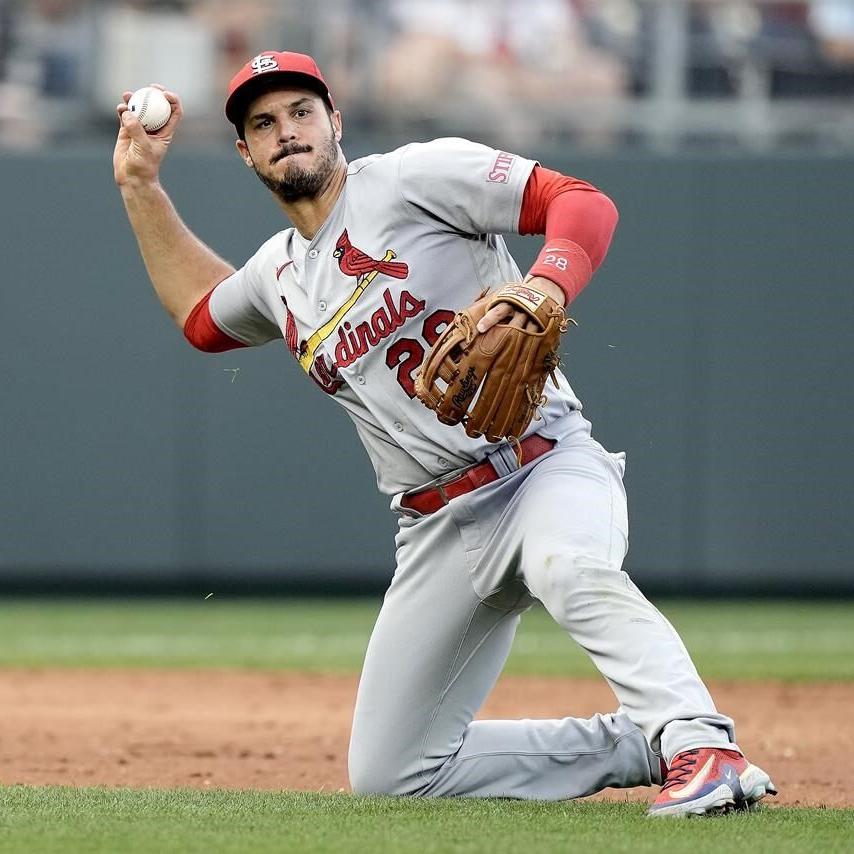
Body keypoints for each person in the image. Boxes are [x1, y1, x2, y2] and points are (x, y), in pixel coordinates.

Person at [112, 50, 776, 817]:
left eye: (300, 112)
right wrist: (139, 185)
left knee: (567, 564)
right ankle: (638, 745)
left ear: (336, 120)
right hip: (435, 528)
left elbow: (581, 203)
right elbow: (200, 317)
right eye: (263, 124)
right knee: (392, 773)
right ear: (246, 152)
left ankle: (703, 745)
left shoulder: (412, 179)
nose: (285, 132)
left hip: (540, 466)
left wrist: (543, 284)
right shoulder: (279, 275)